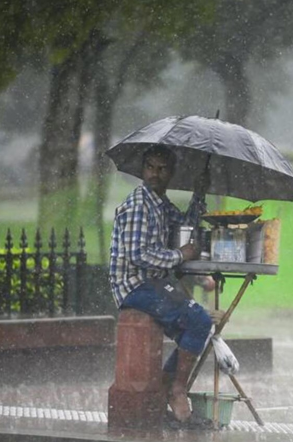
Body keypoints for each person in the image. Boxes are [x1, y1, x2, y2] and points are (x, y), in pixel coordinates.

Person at [109, 144, 214, 424]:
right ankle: (176, 390)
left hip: (153, 283)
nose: (154, 174)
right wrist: (180, 255)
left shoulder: (159, 203)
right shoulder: (138, 206)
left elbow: (186, 225)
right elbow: (138, 255)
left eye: (162, 168)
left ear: (171, 173)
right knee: (199, 321)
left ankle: (165, 388)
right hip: (134, 285)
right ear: (143, 170)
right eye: (150, 167)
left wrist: (199, 193)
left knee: (196, 325)